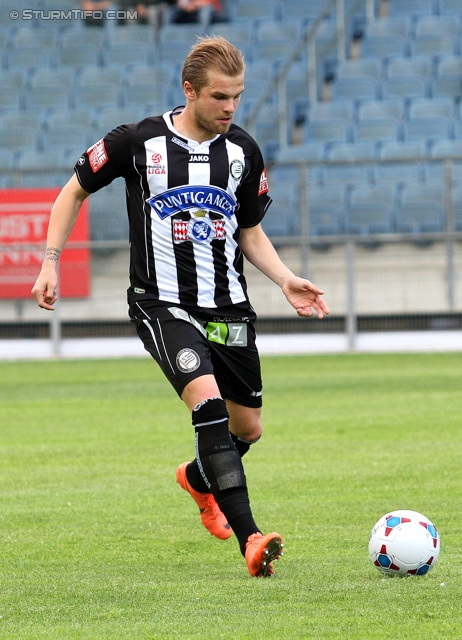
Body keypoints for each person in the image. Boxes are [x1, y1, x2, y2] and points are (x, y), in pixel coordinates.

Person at [32, 36, 329, 578]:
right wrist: (51, 259)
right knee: (207, 404)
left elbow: (250, 231)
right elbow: (72, 191)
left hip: (229, 307)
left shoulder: (242, 151)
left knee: (248, 428)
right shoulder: (137, 141)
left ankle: (197, 478)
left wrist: (286, 279)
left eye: (237, 96)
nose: (230, 107)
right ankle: (252, 538)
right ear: (189, 91)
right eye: (220, 96)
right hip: (161, 303)